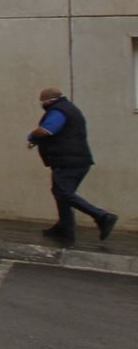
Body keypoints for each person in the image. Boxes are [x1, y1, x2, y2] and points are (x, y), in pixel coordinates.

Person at [28, 86, 118, 245]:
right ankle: (64, 228)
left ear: (50, 100)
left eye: (43, 102)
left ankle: (102, 217)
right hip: (75, 161)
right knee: (60, 193)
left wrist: (33, 135)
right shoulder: (68, 108)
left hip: (68, 162)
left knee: (63, 193)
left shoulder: (58, 111)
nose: (42, 104)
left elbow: (47, 130)